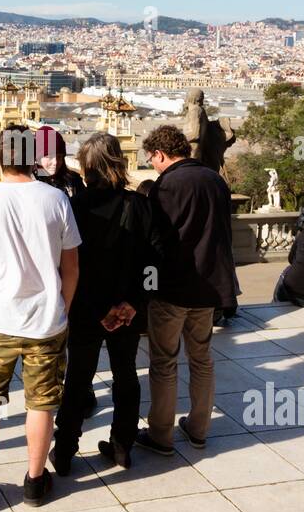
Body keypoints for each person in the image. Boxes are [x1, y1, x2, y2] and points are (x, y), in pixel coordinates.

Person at [0, 125, 80, 512]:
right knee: (41, 403)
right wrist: (62, 305)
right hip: (47, 320)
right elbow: (72, 267)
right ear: (31, 158)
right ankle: (34, 481)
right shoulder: (57, 199)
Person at [51, 133, 152, 473]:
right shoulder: (139, 205)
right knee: (126, 376)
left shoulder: (75, 207)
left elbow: (72, 266)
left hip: (87, 309)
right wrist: (135, 303)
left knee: (78, 379)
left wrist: (98, 309)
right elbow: (154, 262)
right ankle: (123, 445)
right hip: (128, 312)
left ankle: (64, 451)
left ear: (87, 166)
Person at [137, 124, 236, 456]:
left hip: (173, 288)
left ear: (160, 154)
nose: (152, 164)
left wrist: (146, 284)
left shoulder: (167, 185)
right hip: (208, 287)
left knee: (164, 362)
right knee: (202, 359)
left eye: (151, 158)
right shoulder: (215, 180)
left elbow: (155, 241)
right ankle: (198, 428)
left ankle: (161, 435)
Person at [35, 125, 94, 415]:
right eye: (47, 156)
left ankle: (81, 388)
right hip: (42, 269)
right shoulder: (30, 182)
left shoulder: (72, 181)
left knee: (75, 333)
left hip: (71, 264)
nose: (54, 163)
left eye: (58, 155)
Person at [35, 125, 86, 200]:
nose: (55, 162)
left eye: (59, 157)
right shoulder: (30, 183)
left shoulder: (74, 180)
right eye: (49, 157)